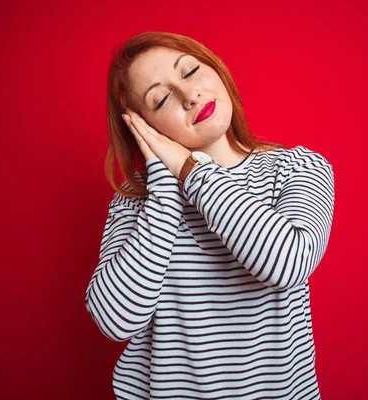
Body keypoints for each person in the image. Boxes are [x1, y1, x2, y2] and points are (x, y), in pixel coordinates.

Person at [84, 31, 335, 400]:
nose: (190, 96)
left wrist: (189, 170)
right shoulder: (135, 200)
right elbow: (115, 319)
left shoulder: (297, 168)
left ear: (216, 70)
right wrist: (165, 187)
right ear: (145, 128)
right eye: (162, 98)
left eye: (189, 72)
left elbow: (287, 262)